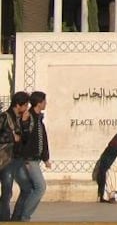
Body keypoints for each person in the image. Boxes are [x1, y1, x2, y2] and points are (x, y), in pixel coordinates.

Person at [11, 90, 49, 220]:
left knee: (28, 189)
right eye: (44, 101)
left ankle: (17, 217)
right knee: (40, 187)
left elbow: (42, 139)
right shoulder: (29, 117)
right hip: (29, 160)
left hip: (34, 159)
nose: (46, 104)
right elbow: (24, 139)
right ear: (39, 103)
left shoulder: (38, 119)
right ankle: (25, 217)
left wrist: (45, 158)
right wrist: (26, 160)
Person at [0, 92, 30, 221]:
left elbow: (25, 138)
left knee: (27, 188)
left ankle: (16, 218)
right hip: (6, 159)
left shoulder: (22, 118)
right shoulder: (4, 117)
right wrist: (12, 137)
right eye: (25, 105)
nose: (27, 107)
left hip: (18, 159)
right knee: (7, 192)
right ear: (18, 105)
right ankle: (4, 219)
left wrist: (24, 123)